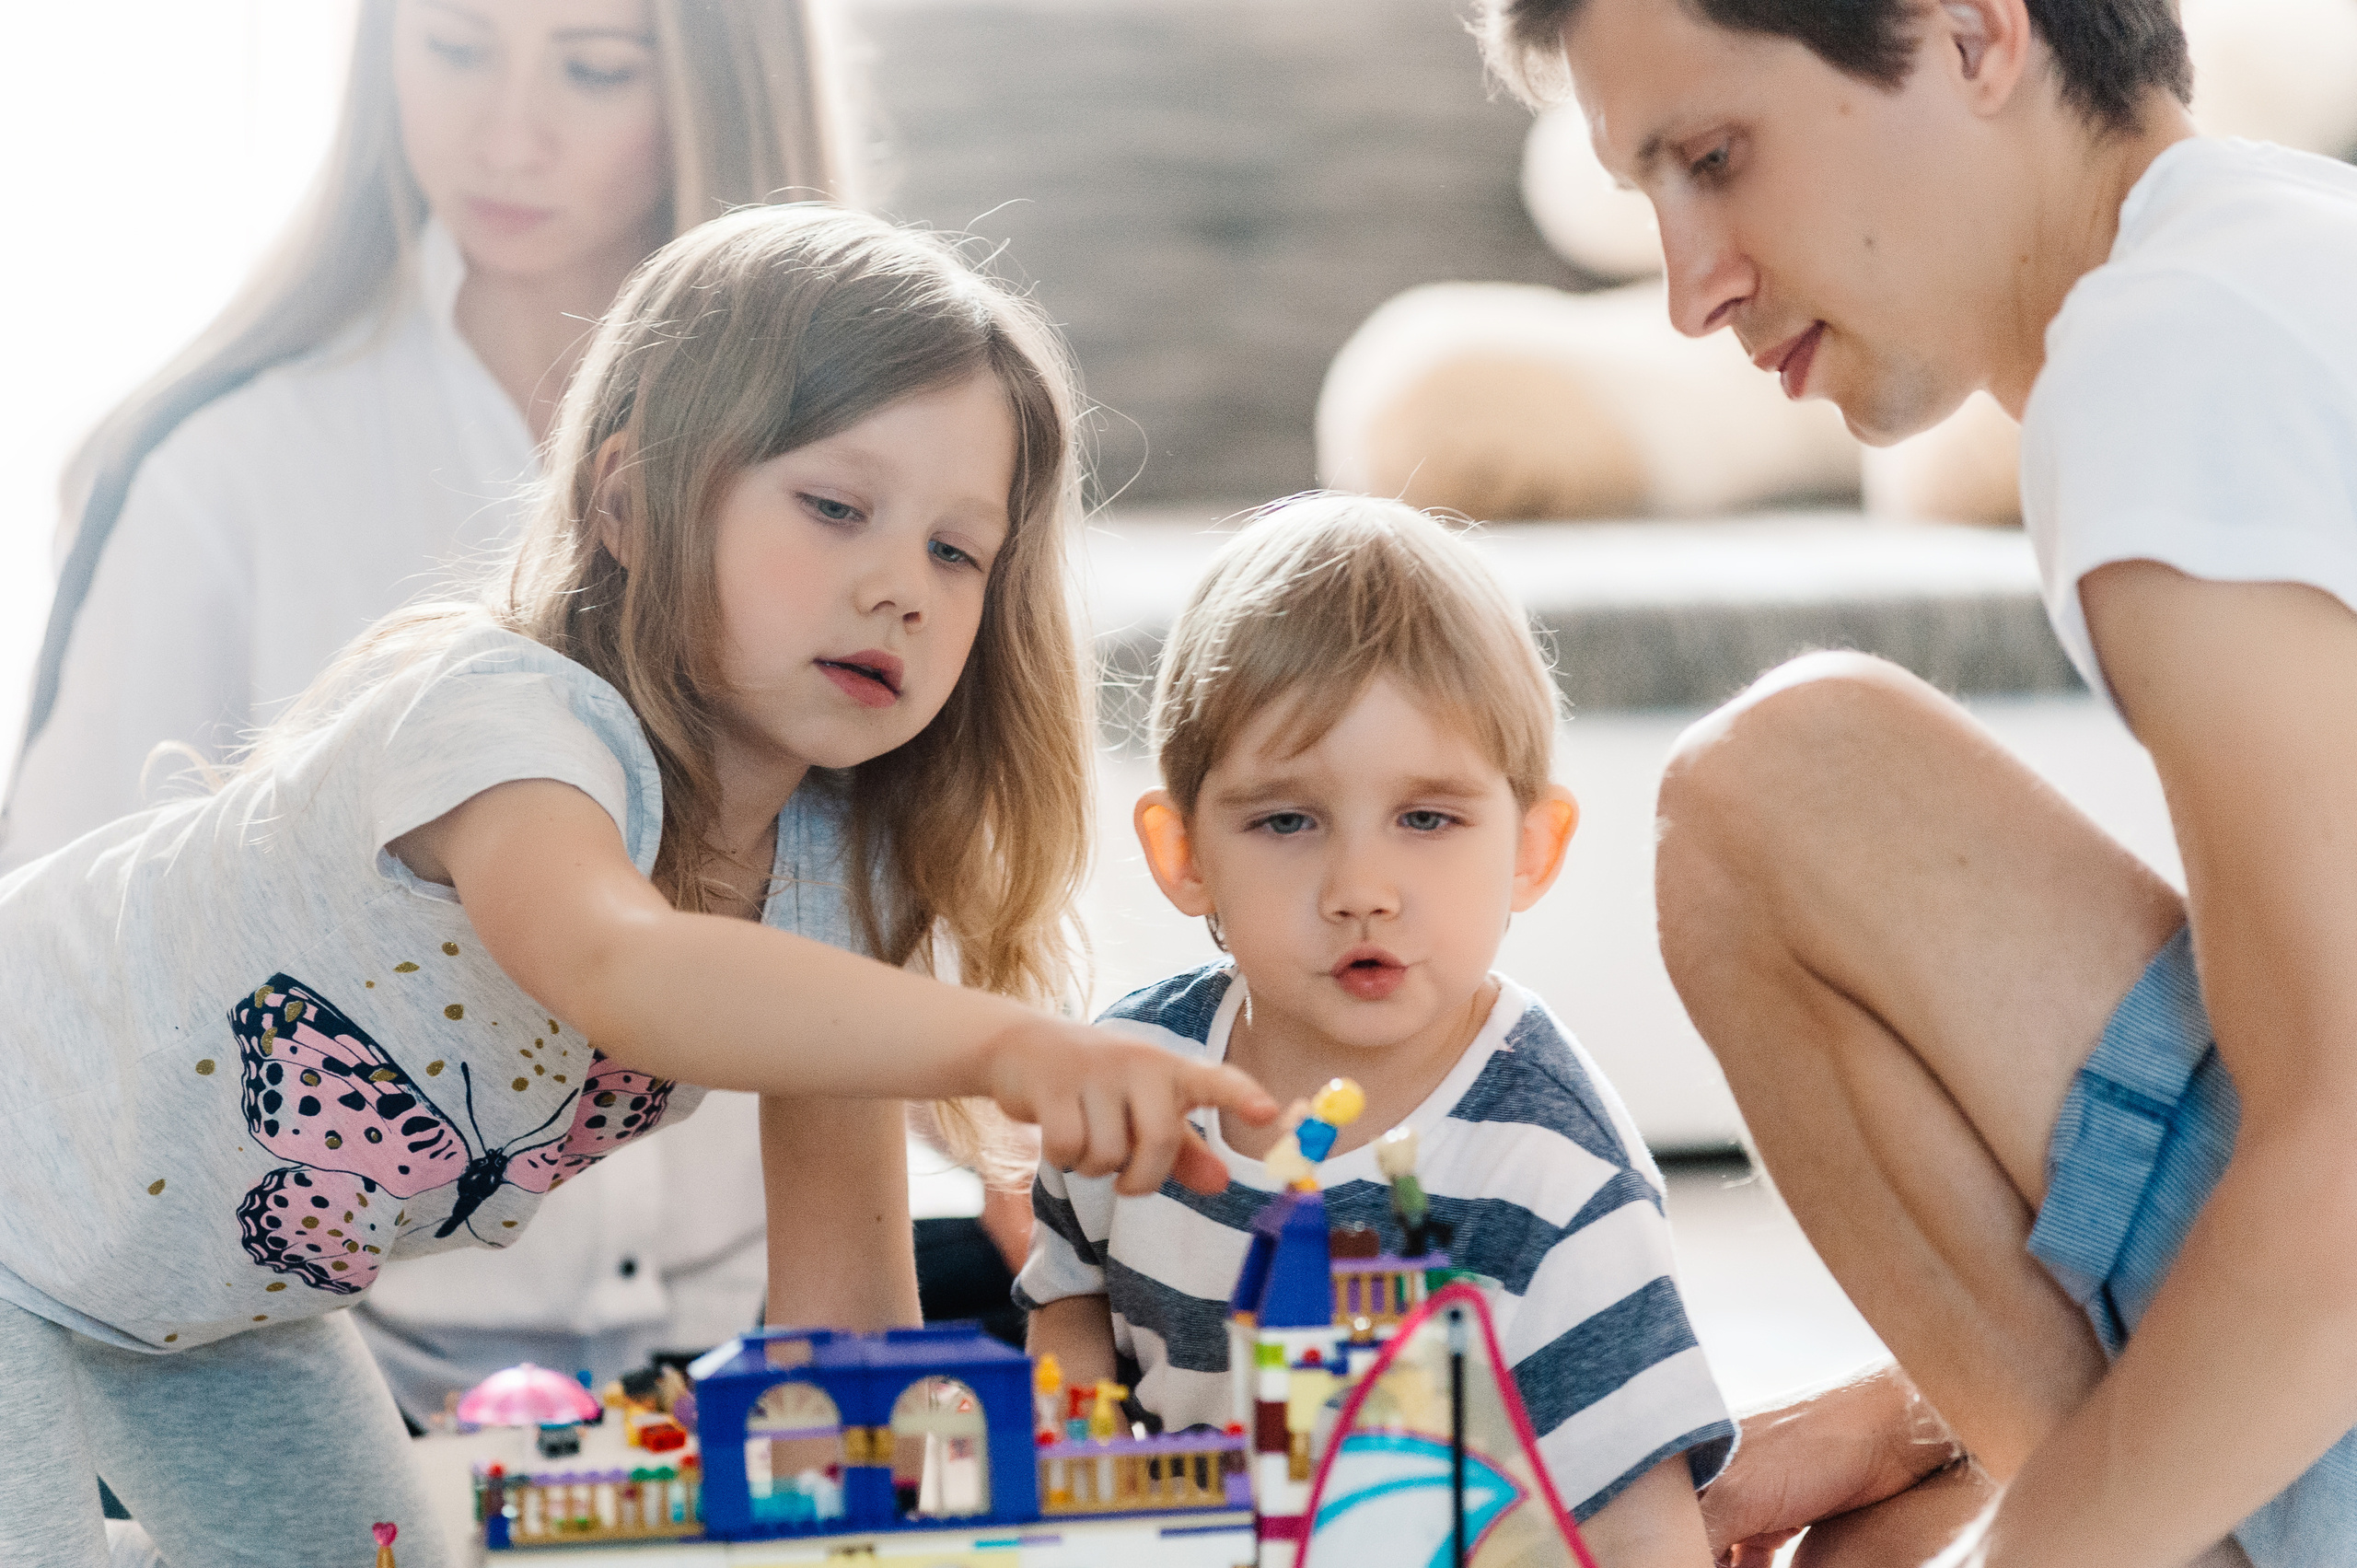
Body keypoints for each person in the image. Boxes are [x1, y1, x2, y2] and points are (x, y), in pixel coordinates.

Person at [0, 203, 1278, 1567]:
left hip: (214, 1299)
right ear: (625, 501)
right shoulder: (509, 726)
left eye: (956, 551)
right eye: (837, 507)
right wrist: (1014, 1045)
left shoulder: (827, 877)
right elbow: (625, 965)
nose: (902, 585)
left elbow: (846, 1323)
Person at [1478, 0, 2357, 1563]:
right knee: (1889, 1528)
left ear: (1970, 34)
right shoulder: (2277, 253)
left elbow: (2341, 1174)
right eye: (1650, 198)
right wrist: (1897, 1420)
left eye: (1715, 158)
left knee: (1774, 794)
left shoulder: (2166, 359)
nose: (1693, 289)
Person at [0, 0, 870, 1422]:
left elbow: (863, 922)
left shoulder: (865, 494)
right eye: (456, 46)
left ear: (724, 81)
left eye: (593, 66)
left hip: (740, 1354)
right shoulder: (218, 469)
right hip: (305, 1363)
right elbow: (60, 1015)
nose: (506, 131)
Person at [1017, 495, 1736, 1565]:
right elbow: (1069, 1295)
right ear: (1183, 853)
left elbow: (1641, 1526)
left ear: (1533, 847)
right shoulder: (1138, 1075)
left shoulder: (1551, 1164)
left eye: (1427, 818)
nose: (1362, 888)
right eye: (1287, 820)